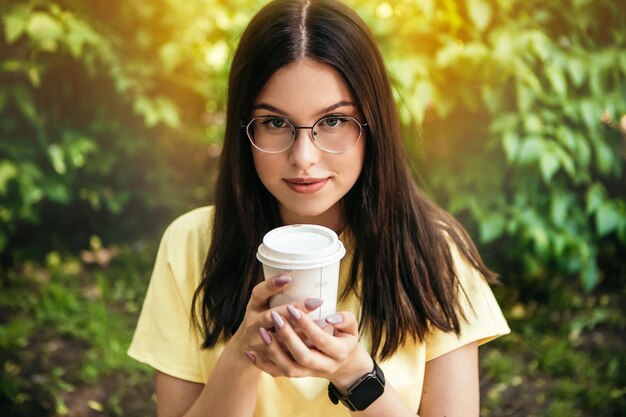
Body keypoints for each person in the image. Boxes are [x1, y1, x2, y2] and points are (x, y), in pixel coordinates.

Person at [128, 0, 510, 416]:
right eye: (275, 123)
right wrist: (241, 357)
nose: (304, 157)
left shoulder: (435, 253)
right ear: (244, 129)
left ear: (372, 125)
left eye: (332, 121)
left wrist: (354, 374)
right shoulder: (192, 245)